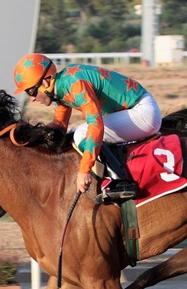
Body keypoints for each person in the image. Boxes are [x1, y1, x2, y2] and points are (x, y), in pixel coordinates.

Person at [12, 53, 162, 203]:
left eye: (30, 91)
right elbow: (60, 125)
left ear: (45, 82)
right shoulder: (63, 86)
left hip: (143, 112)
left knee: (81, 133)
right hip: (133, 110)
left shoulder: (75, 83)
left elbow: (96, 125)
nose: (31, 98)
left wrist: (84, 170)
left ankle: (120, 182)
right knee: (77, 133)